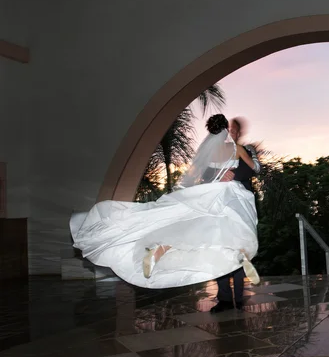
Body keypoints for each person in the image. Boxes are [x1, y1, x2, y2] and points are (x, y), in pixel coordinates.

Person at [69, 114, 261, 289]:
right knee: (235, 226)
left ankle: (160, 249)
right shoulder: (236, 149)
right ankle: (241, 257)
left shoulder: (209, 153)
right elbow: (255, 168)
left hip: (209, 194)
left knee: (193, 226)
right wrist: (244, 164)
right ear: (226, 131)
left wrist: (217, 177)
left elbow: (202, 175)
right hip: (231, 195)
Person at [211, 117, 261, 313]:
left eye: (232, 130)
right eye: (226, 130)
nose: (228, 133)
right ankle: (224, 298)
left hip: (240, 205)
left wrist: (232, 173)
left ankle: (239, 298)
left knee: (239, 249)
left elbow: (256, 169)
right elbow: (204, 173)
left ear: (238, 133)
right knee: (221, 248)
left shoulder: (246, 150)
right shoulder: (214, 152)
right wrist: (218, 176)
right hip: (219, 206)